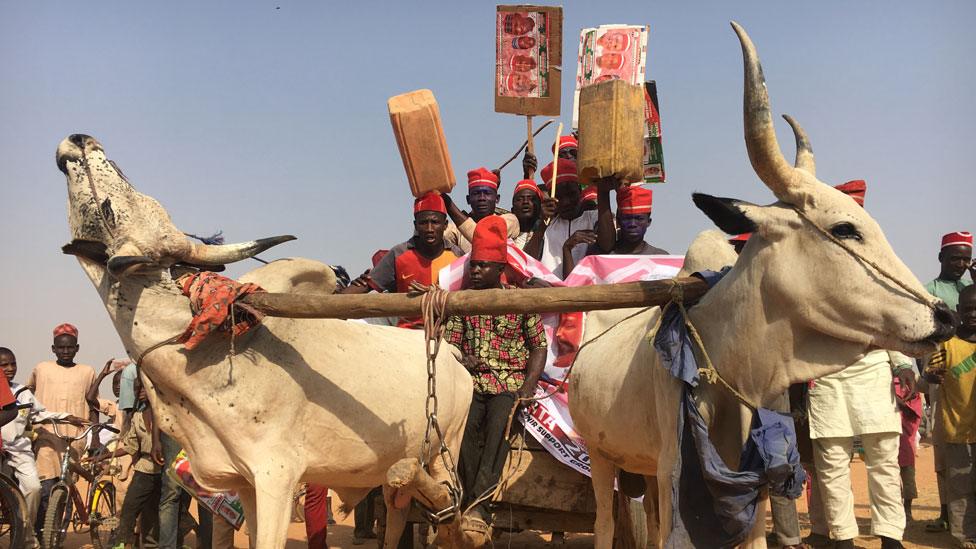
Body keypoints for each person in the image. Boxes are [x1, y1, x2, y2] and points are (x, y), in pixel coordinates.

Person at [444, 216, 547, 544]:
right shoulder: (462, 302)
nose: (474, 271)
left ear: (499, 268)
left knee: (498, 428)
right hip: (471, 384)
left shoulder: (519, 300)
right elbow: (451, 345)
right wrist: (464, 358)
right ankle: (473, 504)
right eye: (473, 265)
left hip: (508, 385)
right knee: (465, 429)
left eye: (482, 266)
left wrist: (526, 391)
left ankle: (478, 507)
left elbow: (539, 348)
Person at [342, 192, 462, 328]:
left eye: (434, 222)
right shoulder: (399, 253)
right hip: (406, 334)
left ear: (445, 225)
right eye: (423, 223)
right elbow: (367, 285)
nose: (429, 229)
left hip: (446, 333)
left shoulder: (457, 257)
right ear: (415, 225)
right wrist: (331, 300)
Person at [923, 230, 974, 533]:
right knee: (946, 448)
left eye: (966, 259)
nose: (961, 264)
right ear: (941, 257)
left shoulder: (972, 287)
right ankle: (946, 512)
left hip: (973, 379)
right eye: (955, 257)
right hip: (942, 374)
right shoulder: (928, 290)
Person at [0, 347, 76, 547]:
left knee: (33, 489)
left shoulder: (23, 393)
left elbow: (40, 414)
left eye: (13, 364)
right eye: (4, 365)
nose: (9, 368)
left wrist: (66, 417)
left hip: (18, 448)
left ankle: (26, 534)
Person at [28, 323, 97, 537]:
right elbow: (26, 395)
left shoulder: (87, 372)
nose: (65, 352)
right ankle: (43, 533)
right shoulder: (41, 368)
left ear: (77, 348)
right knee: (46, 486)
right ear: (53, 348)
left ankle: (59, 533)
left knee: (66, 487)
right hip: (47, 436)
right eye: (61, 348)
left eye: (70, 348)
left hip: (75, 438)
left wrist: (94, 437)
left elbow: (93, 405)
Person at [87, 376, 161, 549]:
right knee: (129, 507)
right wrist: (104, 456)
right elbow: (131, 446)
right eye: (137, 389)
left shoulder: (166, 413)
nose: (141, 392)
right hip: (145, 469)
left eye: (144, 388)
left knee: (156, 512)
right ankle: (123, 543)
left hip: (166, 471)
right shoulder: (137, 417)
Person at [523, 159, 615, 279]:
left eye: (571, 194)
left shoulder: (595, 218)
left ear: (580, 190)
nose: (566, 202)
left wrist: (603, 191)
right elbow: (527, 264)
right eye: (559, 197)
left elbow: (608, 245)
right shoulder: (547, 226)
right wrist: (541, 226)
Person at [443, 168, 520, 254]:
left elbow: (484, 239)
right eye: (476, 194)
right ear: (468, 199)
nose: (482, 198)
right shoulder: (456, 229)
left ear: (497, 199)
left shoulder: (510, 221)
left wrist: (448, 203)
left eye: (487, 193)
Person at [510, 179, 543, 250]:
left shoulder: (547, 236)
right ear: (512, 210)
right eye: (519, 199)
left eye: (531, 199)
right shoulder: (505, 238)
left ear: (540, 208)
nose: (525, 202)